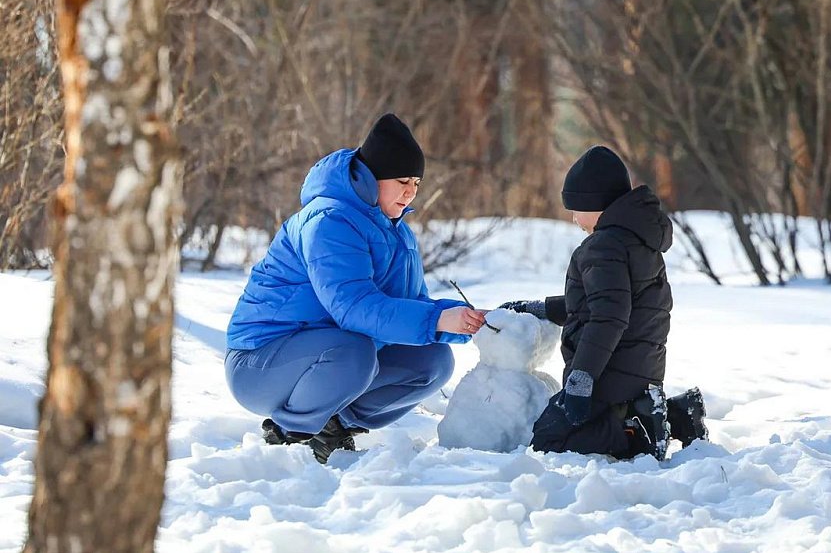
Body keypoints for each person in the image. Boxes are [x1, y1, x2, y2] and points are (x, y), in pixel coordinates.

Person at [225, 113, 486, 464]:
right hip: (260, 362)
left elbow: (409, 305)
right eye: (402, 180)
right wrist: (439, 320)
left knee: (432, 360)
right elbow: (353, 307)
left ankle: (334, 425)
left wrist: (465, 320)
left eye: (417, 183)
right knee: (355, 351)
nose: (410, 192)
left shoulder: (396, 230)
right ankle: (292, 434)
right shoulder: (329, 220)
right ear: (372, 178)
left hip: (329, 353)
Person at [498, 146, 707, 460]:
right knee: (563, 429)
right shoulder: (638, 240)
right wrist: (543, 309)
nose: (573, 218)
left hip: (609, 374)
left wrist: (582, 379)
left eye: (576, 209)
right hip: (638, 369)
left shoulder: (602, 246)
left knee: (550, 439)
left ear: (595, 204)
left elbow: (608, 317)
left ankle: (640, 429)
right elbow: (601, 303)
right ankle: (671, 414)